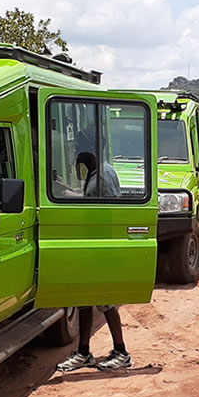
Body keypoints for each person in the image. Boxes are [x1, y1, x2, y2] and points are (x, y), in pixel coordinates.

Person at [56, 149, 131, 372]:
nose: (76, 164)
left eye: (78, 158)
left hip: (100, 245)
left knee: (105, 301)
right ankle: (83, 352)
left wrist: (65, 194)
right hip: (92, 244)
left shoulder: (102, 176)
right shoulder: (99, 171)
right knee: (84, 299)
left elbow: (99, 209)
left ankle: (121, 351)